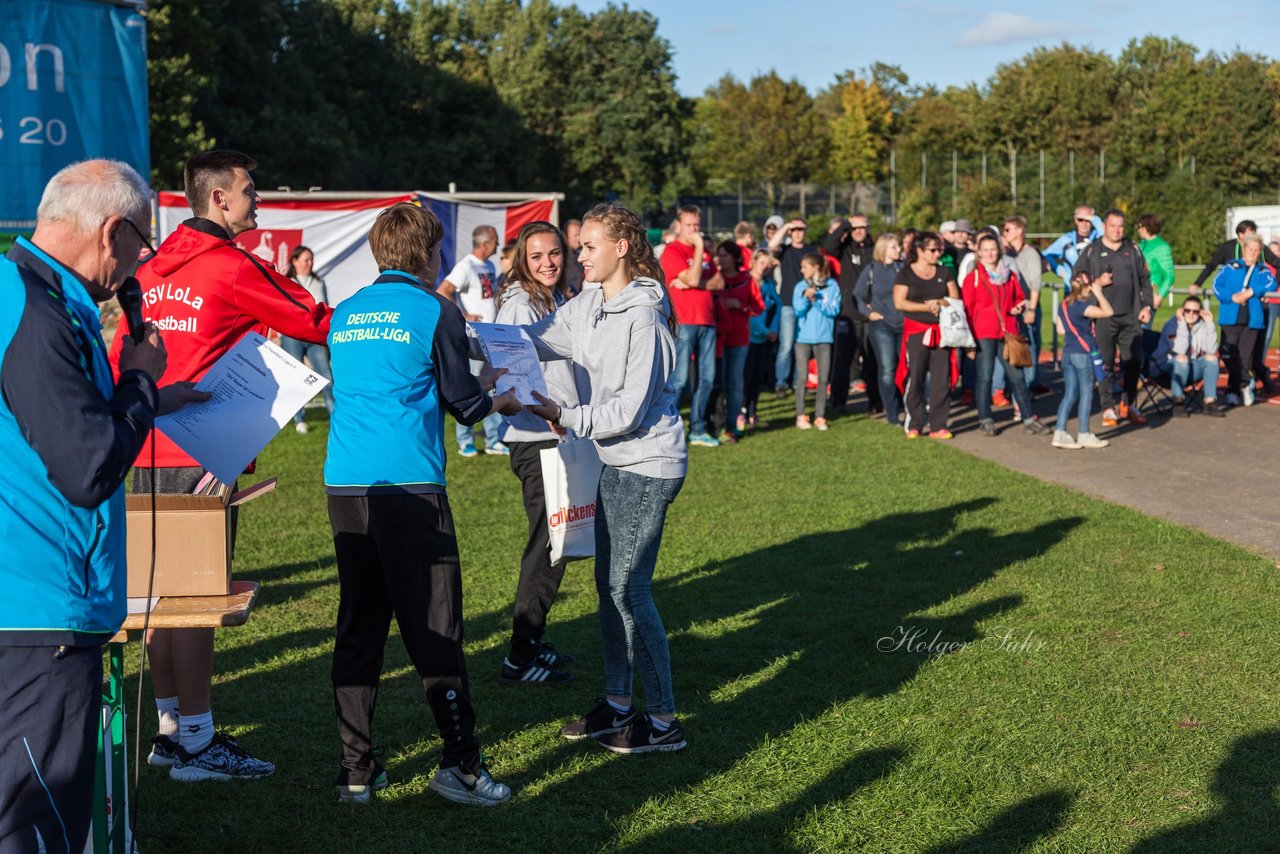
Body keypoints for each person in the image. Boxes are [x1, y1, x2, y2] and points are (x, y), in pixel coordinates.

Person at [0, 160, 207, 851]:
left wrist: (138, 398)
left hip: (26, 605)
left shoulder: (25, 292)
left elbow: (48, 423)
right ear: (112, 231)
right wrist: (142, 385)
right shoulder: (37, 310)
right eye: (140, 245)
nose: (134, 266)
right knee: (39, 823)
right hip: (43, 616)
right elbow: (88, 467)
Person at [109, 149, 331, 781]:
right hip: (205, 450)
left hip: (141, 441)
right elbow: (314, 320)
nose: (257, 199)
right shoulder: (231, 266)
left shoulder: (150, 266)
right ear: (219, 200)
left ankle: (171, 732)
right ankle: (199, 744)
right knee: (199, 596)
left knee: (157, 595)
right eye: (250, 189)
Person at [324, 202, 521, 806]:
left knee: (359, 625)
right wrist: (501, 397)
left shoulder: (346, 311)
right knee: (435, 626)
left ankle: (357, 772)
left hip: (346, 484)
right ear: (427, 252)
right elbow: (465, 403)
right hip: (410, 487)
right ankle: (460, 769)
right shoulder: (435, 309)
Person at [520, 202, 689, 754]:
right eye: (580, 246)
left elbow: (629, 413)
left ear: (621, 248)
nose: (578, 255)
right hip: (614, 461)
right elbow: (540, 338)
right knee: (608, 587)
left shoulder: (643, 315)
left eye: (589, 246)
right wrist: (468, 337)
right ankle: (618, 705)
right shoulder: (589, 301)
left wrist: (563, 415)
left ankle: (663, 721)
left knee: (630, 590)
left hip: (649, 463)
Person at [494, 222, 580, 685]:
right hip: (537, 442)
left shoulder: (556, 297)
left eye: (554, 253)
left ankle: (531, 643)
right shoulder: (519, 303)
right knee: (548, 548)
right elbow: (507, 366)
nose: (547, 262)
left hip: (557, 438)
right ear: (522, 262)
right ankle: (519, 658)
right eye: (536, 256)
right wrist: (543, 409)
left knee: (556, 546)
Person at [960, 232, 1048, 438]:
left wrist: (1018, 307)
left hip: (1007, 332)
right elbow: (968, 311)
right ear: (979, 253)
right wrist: (969, 342)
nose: (990, 253)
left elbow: (1019, 297)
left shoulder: (1009, 275)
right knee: (985, 376)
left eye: (993, 249)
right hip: (983, 334)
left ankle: (1028, 418)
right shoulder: (972, 278)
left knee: (1017, 377)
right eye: (986, 250)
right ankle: (985, 418)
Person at [1072, 209, 1154, 427]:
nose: (1117, 230)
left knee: (1133, 362)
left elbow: (1146, 279)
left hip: (1131, 316)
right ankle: (1108, 407)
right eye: (1112, 226)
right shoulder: (1093, 250)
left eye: (1120, 226)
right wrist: (1097, 281)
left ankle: (1128, 404)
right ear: (1105, 227)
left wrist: (1147, 306)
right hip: (1103, 317)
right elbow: (1077, 278)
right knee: (1105, 363)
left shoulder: (1133, 249)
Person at [440, 224, 508, 457]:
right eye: (495, 241)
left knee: (492, 386)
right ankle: (465, 441)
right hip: (473, 338)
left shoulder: (488, 265)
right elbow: (444, 290)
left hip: (490, 335)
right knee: (470, 388)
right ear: (484, 243)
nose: (498, 246)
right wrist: (463, 314)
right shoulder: (465, 266)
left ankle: (492, 439)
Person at [661, 204, 720, 448]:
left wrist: (696, 282)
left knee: (707, 378)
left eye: (697, 225)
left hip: (707, 321)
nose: (695, 230)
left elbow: (719, 282)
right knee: (680, 380)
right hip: (685, 321)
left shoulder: (705, 252)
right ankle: (668, 430)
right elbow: (696, 277)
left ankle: (698, 428)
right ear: (679, 226)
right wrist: (697, 255)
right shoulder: (672, 252)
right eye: (689, 225)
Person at [893, 232, 959, 439]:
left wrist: (940, 303)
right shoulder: (906, 273)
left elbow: (954, 298)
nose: (937, 253)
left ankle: (939, 424)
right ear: (920, 250)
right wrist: (924, 306)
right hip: (916, 331)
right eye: (933, 249)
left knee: (941, 379)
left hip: (941, 332)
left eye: (940, 249)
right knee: (916, 377)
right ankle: (915, 422)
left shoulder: (944, 271)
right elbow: (899, 302)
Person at [822, 213, 879, 414]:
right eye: (855, 228)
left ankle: (875, 402)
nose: (859, 231)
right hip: (848, 313)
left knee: (873, 360)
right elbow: (829, 246)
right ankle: (838, 402)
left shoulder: (875, 250)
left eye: (862, 227)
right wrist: (846, 225)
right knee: (843, 361)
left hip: (871, 315)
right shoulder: (845, 249)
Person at [1213, 235, 1277, 407]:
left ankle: (1233, 391)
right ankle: (1246, 382)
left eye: (1256, 250)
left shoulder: (1262, 270)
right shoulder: (1231, 266)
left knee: (1245, 358)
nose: (1253, 253)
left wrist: (1251, 292)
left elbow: (1272, 284)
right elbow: (1217, 285)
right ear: (1244, 249)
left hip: (1252, 320)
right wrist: (1231, 297)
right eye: (1250, 249)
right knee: (1228, 353)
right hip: (1230, 318)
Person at [1052, 270, 1114, 449]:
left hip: (1068, 352)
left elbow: (1061, 330)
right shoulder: (1081, 306)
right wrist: (1099, 293)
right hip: (1083, 352)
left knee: (1070, 394)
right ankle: (1084, 433)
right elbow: (1108, 312)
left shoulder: (1064, 305)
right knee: (1086, 393)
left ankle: (1060, 432)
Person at [711, 241, 763, 442]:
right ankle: (716, 424)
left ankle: (732, 426)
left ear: (734, 258)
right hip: (717, 338)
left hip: (739, 339)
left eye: (725, 256)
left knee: (733, 384)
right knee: (717, 383)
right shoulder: (714, 279)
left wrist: (739, 305)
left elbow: (757, 308)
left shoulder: (747, 280)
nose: (721, 260)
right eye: (719, 255)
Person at [280, 245, 335, 434]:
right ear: (294, 261)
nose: (309, 263)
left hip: (315, 338)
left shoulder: (319, 282)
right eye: (305, 259)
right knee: (296, 379)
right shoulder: (286, 282)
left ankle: (335, 415)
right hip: (292, 337)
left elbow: (325, 309)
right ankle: (299, 420)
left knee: (327, 377)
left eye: (311, 259)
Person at [854, 232, 905, 425]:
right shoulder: (871, 270)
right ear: (883, 248)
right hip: (881, 325)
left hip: (904, 324)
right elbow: (857, 295)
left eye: (899, 246)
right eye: (894, 246)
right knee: (887, 369)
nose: (898, 249)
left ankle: (907, 406)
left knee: (906, 367)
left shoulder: (904, 268)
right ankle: (891, 414)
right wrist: (868, 314)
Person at [1150, 296, 1225, 417]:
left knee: (1212, 358)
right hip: (1163, 368)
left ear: (1200, 312)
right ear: (1182, 311)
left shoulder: (1201, 325)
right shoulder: (1171, 325)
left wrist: (1210, 324)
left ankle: (1209, 403)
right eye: (1187, 310)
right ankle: (1178, 403)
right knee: (1182, 358)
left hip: (1188, 368)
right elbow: (1180, 350)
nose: (1191, 314)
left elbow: (1211, 350)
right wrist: (1182, 324)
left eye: (1195, 311)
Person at [1000, 215, 1050, 396]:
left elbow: (1035, 284)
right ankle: (1013, 387)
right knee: (1012, 346)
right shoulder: (1007, 253)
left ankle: (1027, 387)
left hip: (1027, 305)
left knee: (1029, 347)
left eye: (1008, 230)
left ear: (1019, 231)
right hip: (1012, 307)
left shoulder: (1030, 253)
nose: (1005, 233)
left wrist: (1032, 309)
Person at [792, 252, 842, 430]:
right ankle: (801, 414)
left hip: (824, 338)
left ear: (816, 267)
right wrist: (807, 298)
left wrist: (817, 301)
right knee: (802, 377)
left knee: (823, 378)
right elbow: (797, 311)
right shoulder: (800, 287)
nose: (802, 270)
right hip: (803, 339)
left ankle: (820, 415)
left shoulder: (832, 286)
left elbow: (834, 310)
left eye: (805, 267)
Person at [768, 218, 816, 396]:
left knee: (801, 346)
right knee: (786, 345)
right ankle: (781, 382)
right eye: (794, 230)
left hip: (806, 303)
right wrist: (787, 225)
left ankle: (798, 381)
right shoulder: (785, 250)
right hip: (788, 303)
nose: (798, 233)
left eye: (801, 229)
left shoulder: (811, 250)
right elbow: (772, 245)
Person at [743, 249, 780, 430]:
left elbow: (777, 308)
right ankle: (741, 412)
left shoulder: (769, 284)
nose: (764, 267)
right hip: (746, 337)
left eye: (768, 263)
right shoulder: (745, 281)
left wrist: (773, 330)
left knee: (758, 378)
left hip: (764, 338)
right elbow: (749, 312)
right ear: (754, 261)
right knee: (745, 378)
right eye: (762, 262)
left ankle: (752, 411)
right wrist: (766, 331)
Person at [1043, 206, 1103, 290]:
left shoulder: (1099, 238)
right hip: (1072, 291)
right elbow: (1045, 255)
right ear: (1075, 220)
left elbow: (1104, 230)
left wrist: (1094, 218)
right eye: (1080, 220)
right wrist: (1059, 270)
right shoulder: (1066, 239)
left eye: (1088, 220)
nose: (1084, 223)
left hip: (1094, 290)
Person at [1137, 214, 1175, 312]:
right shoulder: (1140, 245)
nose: (1138, 230)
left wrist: (1159, 296)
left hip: (1150, 294)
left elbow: (1169, 275)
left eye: (1139, 226)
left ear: (1146, 227)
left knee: (1143, 326)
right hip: (1135, 295)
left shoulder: (1161, 247)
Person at [563, 218, 584, 294]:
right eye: (576, 235)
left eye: (580, 235)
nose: (579, 239)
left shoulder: (582, 254)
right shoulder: (562, 256)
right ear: (566, 236)